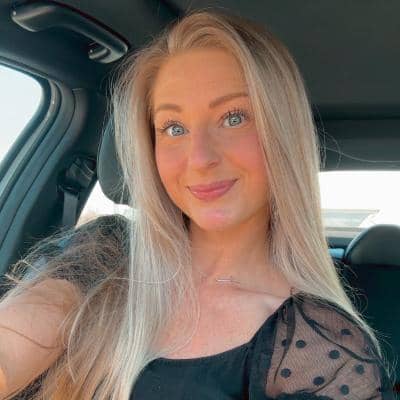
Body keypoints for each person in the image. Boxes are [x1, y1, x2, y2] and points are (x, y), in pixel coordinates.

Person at [0, 9, 396, 400]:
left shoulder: (320, 354)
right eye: (174, 128)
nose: (200, 158)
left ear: (283, 132)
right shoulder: (106, 253)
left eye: (234, 118)